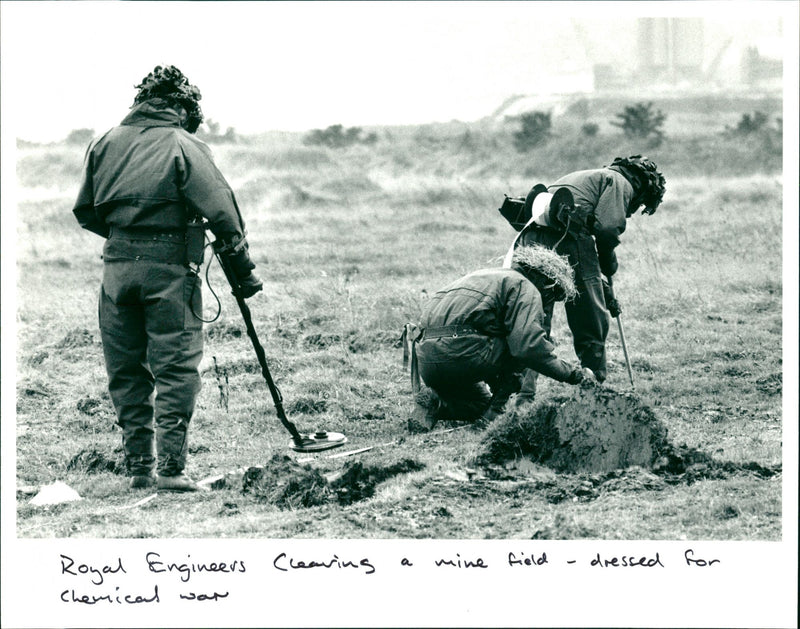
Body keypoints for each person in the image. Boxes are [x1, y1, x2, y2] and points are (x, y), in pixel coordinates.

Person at [73, 65, 263, 491]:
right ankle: (172, 472)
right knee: (176, 368)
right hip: (170, 273)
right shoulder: (184, 143)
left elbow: (86, 211)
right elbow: (224, 216)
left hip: (116, 271)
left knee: (126, 371)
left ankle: (140, 468)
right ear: (182, 107)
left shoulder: (103, 143)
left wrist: (128, 237)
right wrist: (244, 275)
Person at [501, 155, 665, 399]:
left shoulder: (587, 175)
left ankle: (520, 396)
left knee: (533, 316)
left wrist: (605, 288)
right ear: (642, 188)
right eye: (639, 206)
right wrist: (608, 260)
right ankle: (593, 387)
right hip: (569, 237)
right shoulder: (618, 182)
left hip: (532, 240)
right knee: (590, 316)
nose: (633, 211)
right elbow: (607, 229)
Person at [407, 244, 595, 432]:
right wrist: (572, 374)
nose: (548, 306)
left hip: (427, 361)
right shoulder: (526, 287)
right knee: (523, 344)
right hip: (461, 356)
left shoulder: (486, 276)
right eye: (553, 298)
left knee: (480, 404)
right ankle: (494, 414)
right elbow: (529, 347)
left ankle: (436, 403)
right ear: (548, 285)